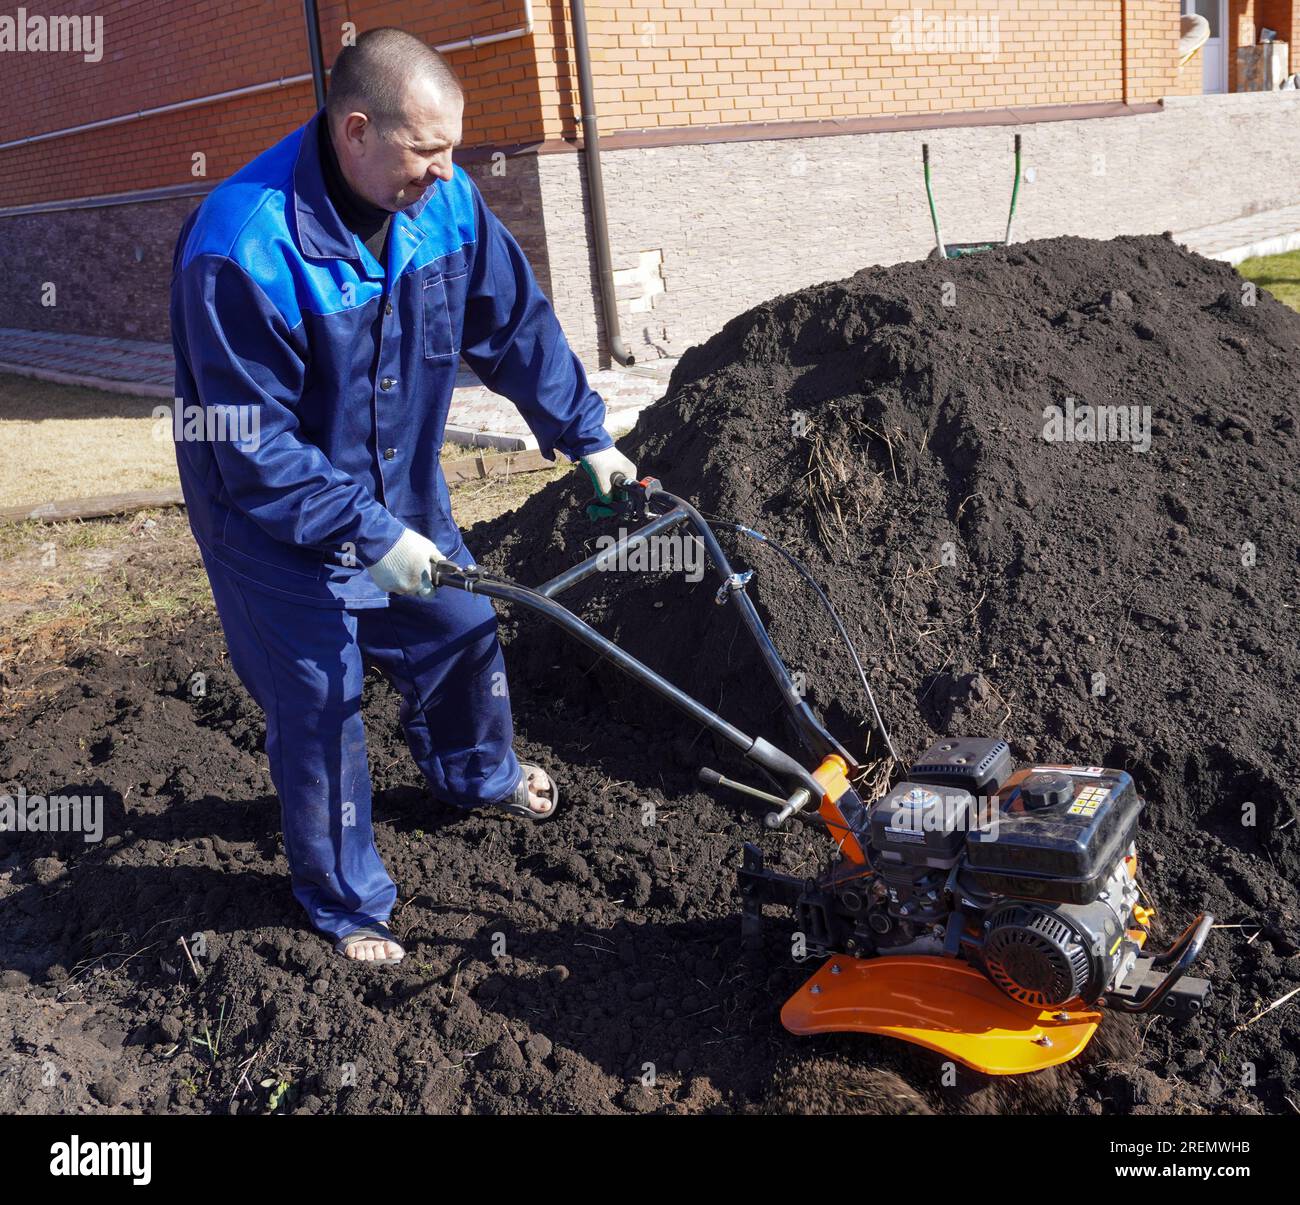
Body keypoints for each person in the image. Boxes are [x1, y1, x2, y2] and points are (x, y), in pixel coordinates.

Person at [170, 27, 635, 965]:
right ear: (354, 131)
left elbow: (514, 324)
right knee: (323, 696)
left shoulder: (446, 205)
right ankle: (344, 899)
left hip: (400, 492)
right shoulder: (242, 249)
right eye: (428, 150)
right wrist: (363, 530)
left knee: (461, 627)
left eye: (454, 147)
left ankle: (478, 777)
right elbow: (248, 447)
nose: (450, 169)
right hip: (273, 527)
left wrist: (584, 431)